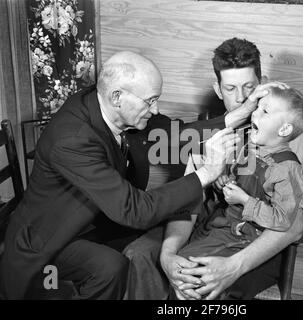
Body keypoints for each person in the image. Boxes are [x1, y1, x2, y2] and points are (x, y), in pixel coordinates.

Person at [0, 51, 247, 300]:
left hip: (92, 224)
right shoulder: (72, 140)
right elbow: (134, 210)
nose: (156, 108)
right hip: (47, 243)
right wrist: (206, 174)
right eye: (150, 100)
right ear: (117, 97)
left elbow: (175, 132)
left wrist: (240, 113)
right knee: (112, 267)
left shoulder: (105, 104)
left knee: (142, 252)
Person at [123, 38, 303, 299]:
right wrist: (168, 254)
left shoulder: (286, 139)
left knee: (207, 284)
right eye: (230, 88)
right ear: (218, 89)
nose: (240, 98)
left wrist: (232, 267)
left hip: (256, 238)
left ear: (262, 84)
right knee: (137, 255)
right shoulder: (206, 132)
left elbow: (297, 223)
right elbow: (188, 204)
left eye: (249, 87)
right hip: (210, 226)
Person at [172, 86, 303, 300]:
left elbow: (283, 220)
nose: (254, 113)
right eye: (258, 107)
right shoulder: (249, 148)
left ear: (284, 130)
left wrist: (244, 200)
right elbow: (236, 180)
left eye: (265, 112)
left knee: (203, 278)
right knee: (182, 264)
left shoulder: (288, 168)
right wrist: (224, 180)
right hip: (225, 229)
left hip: (249, 239)